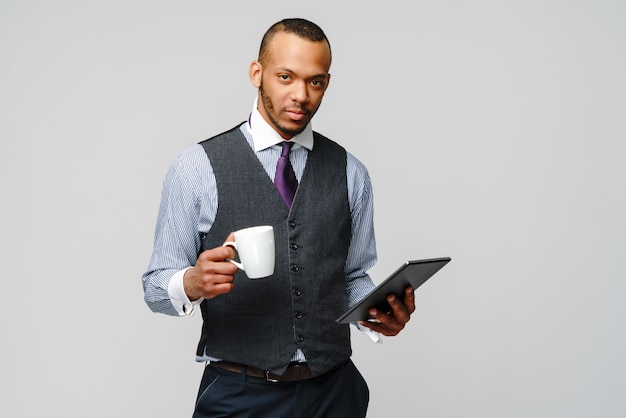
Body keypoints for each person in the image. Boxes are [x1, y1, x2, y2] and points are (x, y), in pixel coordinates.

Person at [142, 18, 415, 418]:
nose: (300, 95)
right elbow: (154, 288)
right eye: (285, 77)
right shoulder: (196, 167)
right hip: (240, 394)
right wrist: (192, 282)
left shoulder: (350, 172)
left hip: (335, 392)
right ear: (257, 73)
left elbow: (353, 276)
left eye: (315, 81)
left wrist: (376, 312)